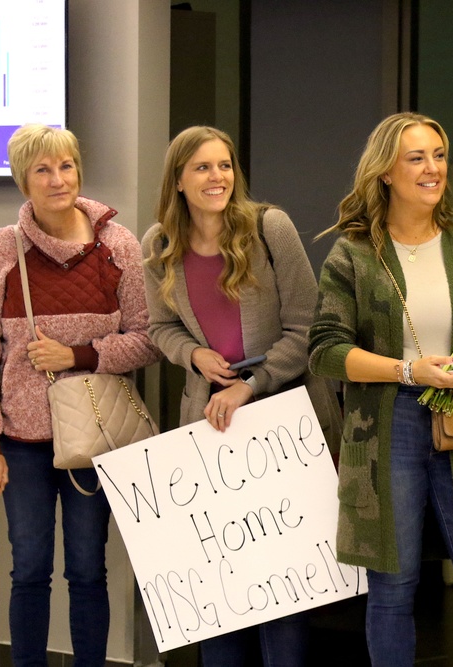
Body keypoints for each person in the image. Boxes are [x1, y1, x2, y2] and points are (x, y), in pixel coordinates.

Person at [308, 112, 453, 666]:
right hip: (386, 427)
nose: (433, 169)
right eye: (417, 158)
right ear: (385, 171)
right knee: (393, 585)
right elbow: (325, 350)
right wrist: (409, 372)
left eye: (438, 155)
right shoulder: (355, 254)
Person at [141, 125, 340, 667]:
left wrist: (251, 385)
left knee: (283, 588)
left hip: (282, 422)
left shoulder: (268, 227)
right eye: (203, 167)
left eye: (225, 165)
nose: (218, 177)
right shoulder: (158, 243)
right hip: (210, 426)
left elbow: (308, 328)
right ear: (178, 179)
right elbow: (159, 326)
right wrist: (194, 355)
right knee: (220, 588)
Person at [0, 123, 160, 666]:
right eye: (42, 170)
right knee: (28, 570)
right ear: (22, 181)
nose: (58, 180)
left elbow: (147, 340)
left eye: (66, 166)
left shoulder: (116, 244)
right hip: (21, 443)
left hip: (94, 438)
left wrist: (75, 356)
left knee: (87, 570)